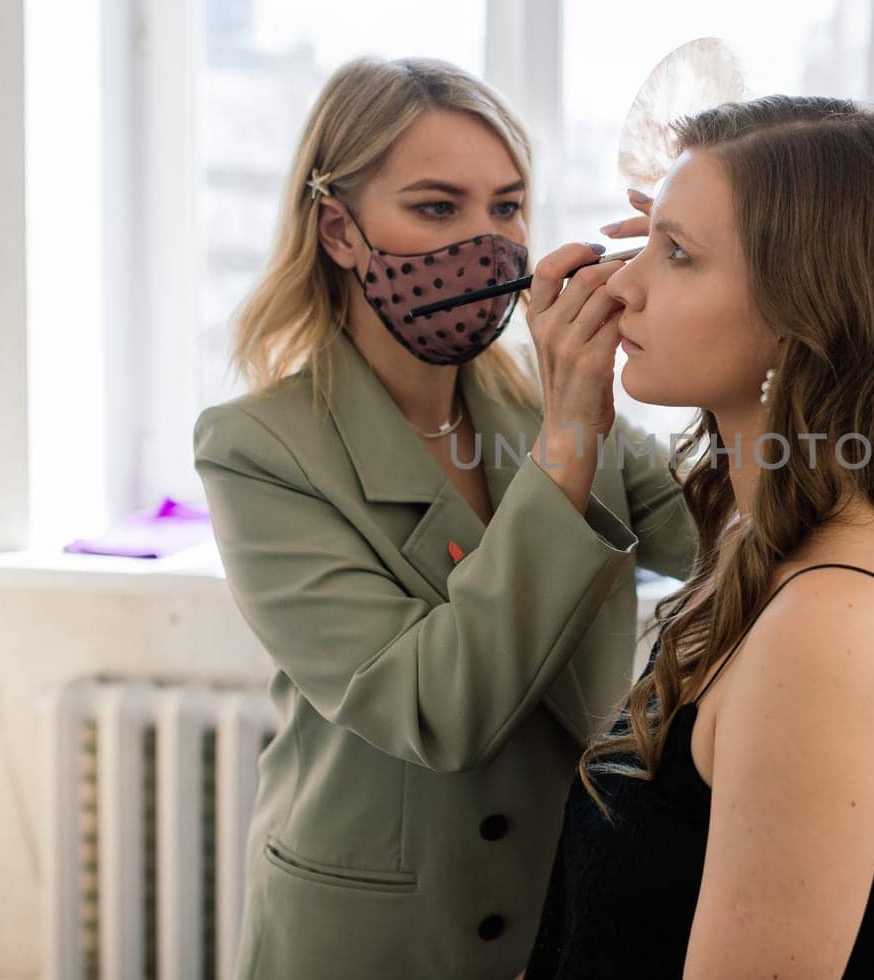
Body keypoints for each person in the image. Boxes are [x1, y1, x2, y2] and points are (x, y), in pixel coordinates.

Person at [192, 55, 696, 979]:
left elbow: (722, 536)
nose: (487, 241)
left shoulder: (535, 411)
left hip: (564, 907)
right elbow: (436, 712)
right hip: (371, 938)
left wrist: (726, 293)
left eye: (506, 208)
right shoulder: (258, 448)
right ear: (340, 231)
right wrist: (571, 434)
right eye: (437, 207)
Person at [526, 96, 874, 978]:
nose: (622, 284)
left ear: (811, 314)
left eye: (675, 255)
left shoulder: (829, 625)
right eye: (644, 242)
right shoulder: (765, 537)